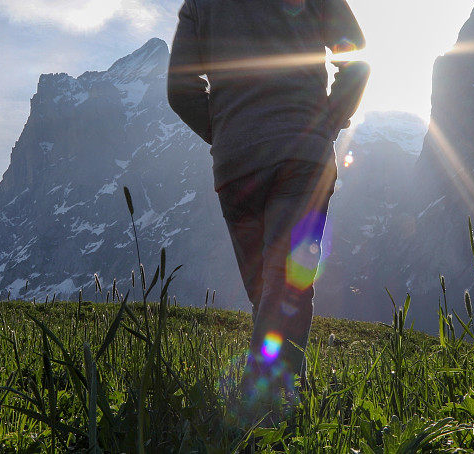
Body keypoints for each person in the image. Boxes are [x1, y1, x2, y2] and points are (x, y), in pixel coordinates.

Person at [167, 0, 369, 426]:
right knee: (287, 286)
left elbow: (180, 91)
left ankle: (281, 398)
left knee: (267, 292)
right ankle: (264, 414)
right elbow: (356, 59)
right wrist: (327, 124)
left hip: (236, 168)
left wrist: (226, 133)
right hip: (302, 158)